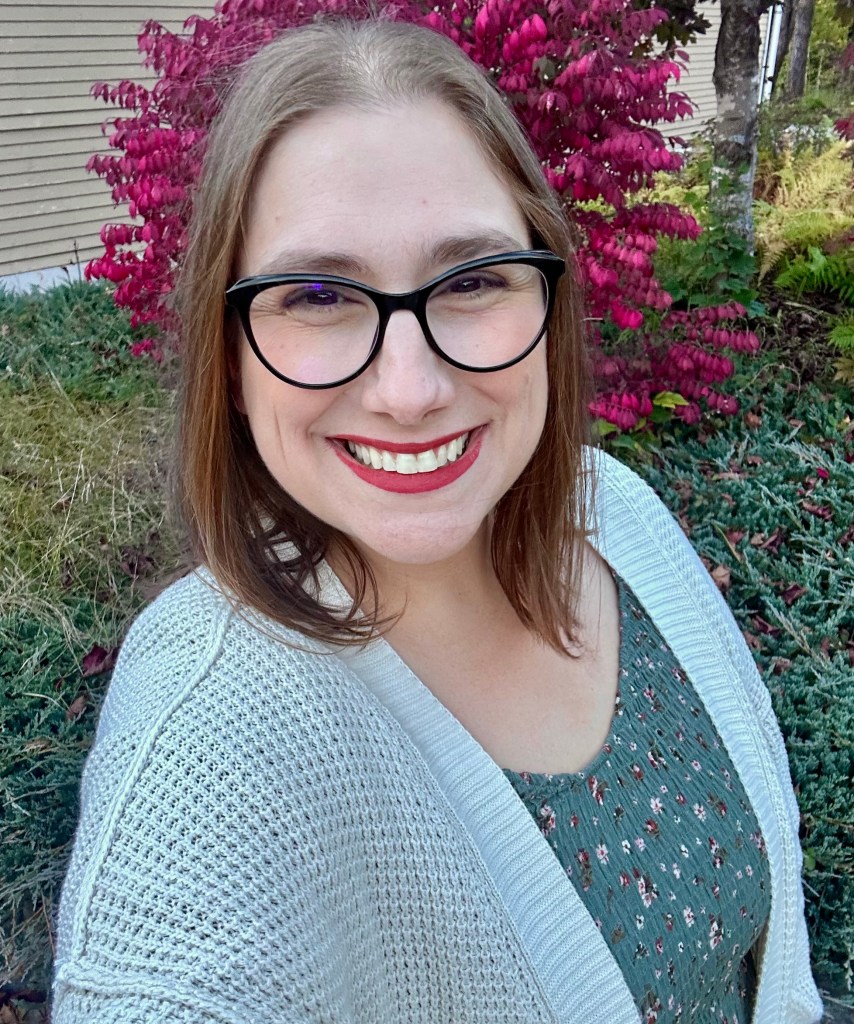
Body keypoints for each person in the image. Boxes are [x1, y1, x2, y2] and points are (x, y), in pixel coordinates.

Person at [52, 17, 822, 1024]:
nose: (409, 390)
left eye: (473, 281)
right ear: (231, 360)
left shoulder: (615, 512)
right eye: (316, 294)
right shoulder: (206, 741)